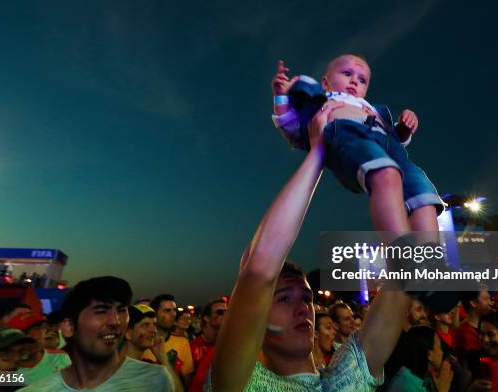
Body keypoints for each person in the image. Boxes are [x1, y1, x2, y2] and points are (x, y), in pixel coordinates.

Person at [207, 105, 412, 391]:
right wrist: (318, 152)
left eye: (306, 297)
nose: (303, 307)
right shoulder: (239, 383)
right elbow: (258, 269)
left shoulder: (345, 376)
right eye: (283, 299)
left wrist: (390, 167)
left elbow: (405, 273)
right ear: (256, 319)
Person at [271, 55, 444, 242]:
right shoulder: (322, 100)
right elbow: (292, 128)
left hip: (390, 145)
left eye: (362, 80)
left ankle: (429, 259)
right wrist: (281, 97)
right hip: (351, 136)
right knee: (386, 173)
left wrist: (405, 125)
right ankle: (401, 255)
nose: (354, 81)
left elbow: (396, 137)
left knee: (422, 189)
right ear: (325, 82)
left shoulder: (375, 110)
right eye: (347, 73)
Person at [19, 276, 173, 391]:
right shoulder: (21, 377)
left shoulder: (154, 381)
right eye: (101, 311)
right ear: (68, 327)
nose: (115, 321)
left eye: (121, 310)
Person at [6, 312, 71, 385]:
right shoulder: (6, 371)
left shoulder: (60, 357)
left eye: (40, 328)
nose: (37, 335)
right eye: (26, 331)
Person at [382, 326, 453, 392]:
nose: (442, 352)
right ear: (430, 355)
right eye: (439, 347)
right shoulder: (408, 386)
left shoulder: (419, 379)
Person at [187, 299, 227, 392]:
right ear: (206, 318)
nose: (225, 315)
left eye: (227, 312)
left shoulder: (229, 348)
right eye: (220, 312)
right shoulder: (191, 347)